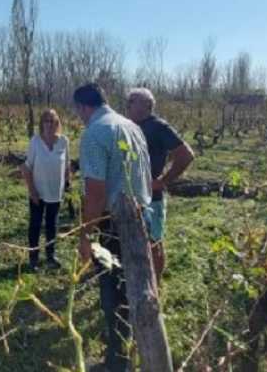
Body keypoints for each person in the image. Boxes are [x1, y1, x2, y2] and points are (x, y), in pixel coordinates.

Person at [73, 83, 154, 372]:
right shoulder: (132, 127)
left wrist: (85, 236)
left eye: (78, 111)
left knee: (113, 291)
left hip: (114, 224)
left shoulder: (95, 133)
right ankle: (131, 350)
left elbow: (95, 193)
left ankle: (117, 362)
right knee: (135, 287)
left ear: (83, 107)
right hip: (139, 217)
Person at [124, 88, 195, 276]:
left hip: (152, 198)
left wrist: (163, 180)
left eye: (132, 101)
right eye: (128, 101)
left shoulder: (158, 126)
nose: (127, 105)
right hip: (132, 196)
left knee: (154, 243)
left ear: (147, 105)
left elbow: (186, 155)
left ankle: (156, 286)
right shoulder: (130, 127)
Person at [21, 109, 71, 271]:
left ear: (57, 123)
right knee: (35, 225)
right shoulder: (35, 141)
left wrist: (67, 186)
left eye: (53, 121)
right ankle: (33, 258)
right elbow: (26, 168)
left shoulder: (63, 141)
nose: (50, 124)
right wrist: (32, 191)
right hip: (38, 192)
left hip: (55, 192)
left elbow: (67, 166)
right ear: (42, 123)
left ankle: (50, 256)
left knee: (52, 225)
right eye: (46, 121)